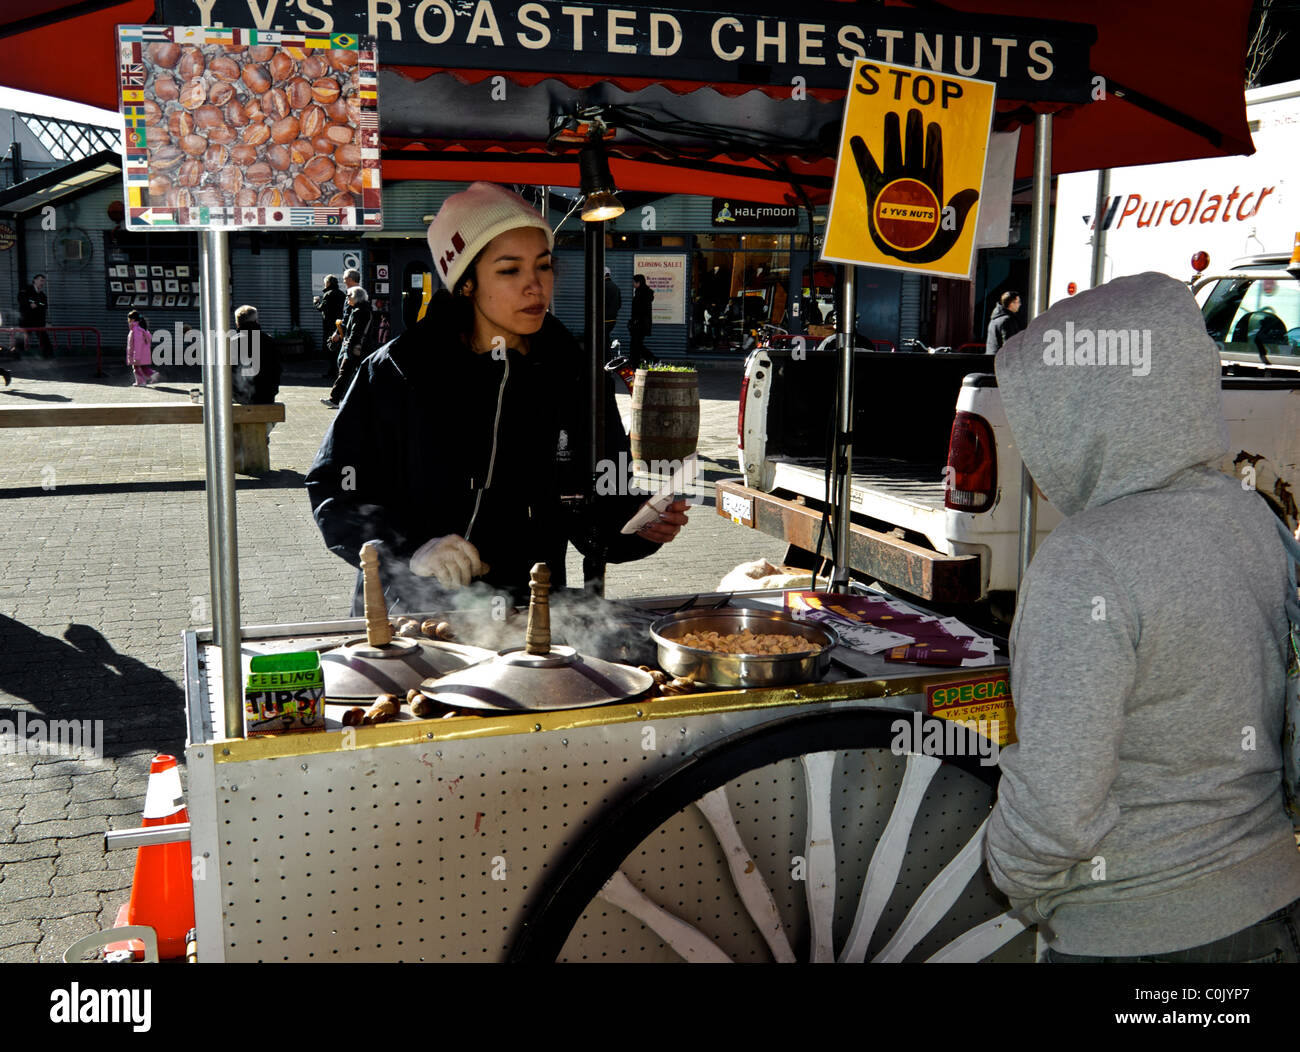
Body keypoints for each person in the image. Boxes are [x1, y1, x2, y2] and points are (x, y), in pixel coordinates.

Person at [984, 272, 1300, 963]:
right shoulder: (1251, 515)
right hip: (1272, 904)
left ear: (1088, 406)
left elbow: (1058, 808)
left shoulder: (1087, 559)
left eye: (1040, 413)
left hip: (1139, 933)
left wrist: (1010, 872)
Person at [305, 181, 689, 614]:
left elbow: (597, 508)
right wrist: (410, 550)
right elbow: (335, 489)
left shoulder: (573, 373)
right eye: (509, 270)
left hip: (532, 617)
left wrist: (638, 526)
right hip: (409, 616)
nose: (535, 286)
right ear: (465, 282)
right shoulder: (396, 370)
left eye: (543, 266)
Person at [321, 286, 374, 408]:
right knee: (358, 374)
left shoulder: (358, 312)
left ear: (356, 297)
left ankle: (334, 400)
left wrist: (348, 345)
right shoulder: (365, 309)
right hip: (363, 347)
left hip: (355, 348)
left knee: (344, 373)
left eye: (349, 295)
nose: (347, 298)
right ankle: (361, 399)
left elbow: (356, 332)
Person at [231, 305, 280, 408]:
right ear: (256, 320)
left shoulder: (231, 343)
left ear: (237, 322)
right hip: (265, 396)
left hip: (239, 397)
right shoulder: (268, 341)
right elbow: (277, 369)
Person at [313, 275, 345, 368]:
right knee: (338, 348)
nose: (324, 284)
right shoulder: (342, 294)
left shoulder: (328, 294)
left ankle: (332, 370)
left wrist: (316, 302)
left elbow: (322, 308)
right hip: (339, 325)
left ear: (328, 283)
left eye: (325, 283)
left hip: (329, 325)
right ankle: (338, 369)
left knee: (331, 348)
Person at [19, 274, 52, 357]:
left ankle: (48, 355)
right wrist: (30, 303)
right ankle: (17, 354)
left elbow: (44, 305)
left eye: (44, 281)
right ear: (35, 280)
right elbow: (21, 299)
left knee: (44, 338)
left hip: (39, 321)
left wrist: (37, 303)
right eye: (41, 280)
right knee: (22, 338)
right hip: (27, 319)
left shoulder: (42, 295)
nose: (42, 283)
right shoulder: (27, 290)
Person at [126, 310, 158, 386]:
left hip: (137, 353)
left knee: (136, 368)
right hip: (143, 353)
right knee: (143, 367)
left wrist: (136, 356)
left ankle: (141, 382)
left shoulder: (136, 330)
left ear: (133, 319)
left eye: (129, 319)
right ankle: (152, 374)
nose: (128, 320)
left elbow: (137, 344)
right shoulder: (141, 329)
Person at [629, 273, 655, 366]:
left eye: (634, 282)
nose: (633, 284)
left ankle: (651, 358)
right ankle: (635, 361)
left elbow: (639, 310)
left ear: (638, 282)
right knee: (636, 344)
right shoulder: (643, 292)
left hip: (639, 324)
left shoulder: (641, 293)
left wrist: (635, 321)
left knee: (636, 344)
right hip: (642, 323)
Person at [603, 266, 621, 353]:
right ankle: (606, 357)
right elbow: (619, 304)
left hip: (603, 319)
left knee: (603, 340)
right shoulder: (615, 287)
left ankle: (604, 358)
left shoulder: (601, 287)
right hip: (612, 319)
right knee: (605, 337)